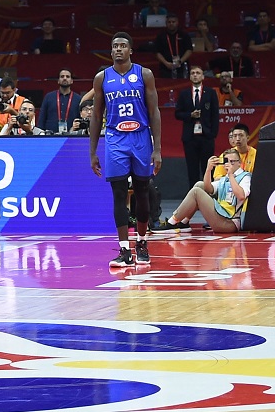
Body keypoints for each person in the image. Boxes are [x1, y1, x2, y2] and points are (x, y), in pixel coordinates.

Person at [89, 32, 162, 267]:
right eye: (114, 46)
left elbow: (154, 112)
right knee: (119, 193)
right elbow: (96, 115)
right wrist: (92, 152)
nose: (118, 49)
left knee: (142, 190)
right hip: (115, 138)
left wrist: (157, 148)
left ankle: (141, 242)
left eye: (123, 46)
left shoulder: (145, 74)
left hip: (140, 137)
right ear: (110, 52)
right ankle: (124, 249)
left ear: (131, 50)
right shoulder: (102, 78)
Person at [162, 148, 251, 233]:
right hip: (221, 214)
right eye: (226, 161)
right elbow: (208, 188)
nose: (229, 164)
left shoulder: (245, 177)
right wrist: (208, 169)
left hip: (229, 222)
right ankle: (184, 222)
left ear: (239, 163)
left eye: (232, 162)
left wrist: (231, 175)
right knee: (199, 185)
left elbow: (241, 196)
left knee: (196, 192)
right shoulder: (225, 178)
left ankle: (171, 223)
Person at [176, 65, 219, 192]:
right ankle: (194, 196)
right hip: (190, 137)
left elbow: (215, 114)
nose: (195, 75)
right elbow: (177, 113)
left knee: (208, 167)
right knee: (192, 168)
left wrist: (213, 134)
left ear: (203, 76)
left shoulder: (210, 93)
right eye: (193, 73)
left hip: (206, 136)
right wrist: (190, 115)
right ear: (190, 76)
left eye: (198, 73)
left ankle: (210, 193)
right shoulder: (184, 94)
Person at [38, 68, 80, 134]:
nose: (65, 78)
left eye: (67, 76)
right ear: (58, 80)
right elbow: (42, 117)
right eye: (62, 76)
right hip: (50, 136)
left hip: (71, 136)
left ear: (72, 81)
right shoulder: (48, 97)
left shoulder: (78, 99)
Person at [153, 14, 193, 79]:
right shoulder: (160, 36)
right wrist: (166, 63)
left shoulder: (184, 34)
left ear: (177, 23)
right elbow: (157, 52)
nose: (171, 24)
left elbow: (189, 50)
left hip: (182, 66)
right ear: (166, 23)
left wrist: (180, 61)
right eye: (169, 22)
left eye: (173, 22)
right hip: (165, 67)